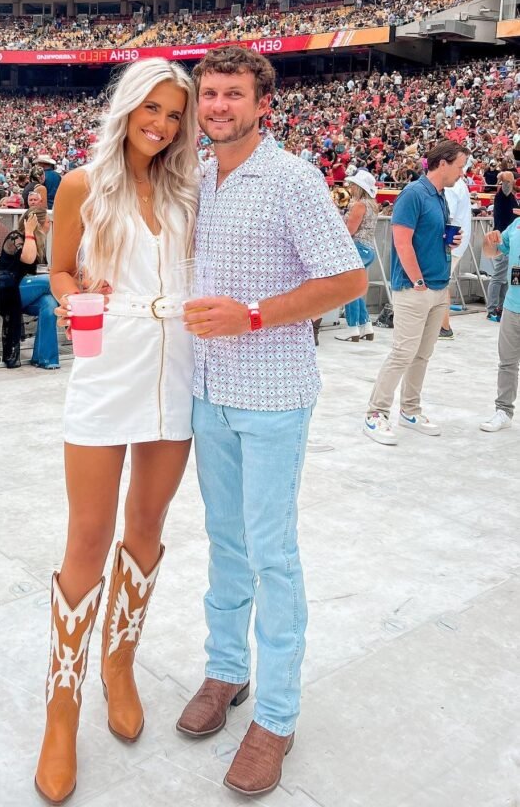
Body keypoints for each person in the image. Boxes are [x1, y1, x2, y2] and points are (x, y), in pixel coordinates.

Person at [175, 47, 365, 797]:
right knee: (223, 542)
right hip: (206, 387)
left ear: (262, 104)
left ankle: (277, 716)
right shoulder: (194, 177)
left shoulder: (292, 179)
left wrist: (251, 315)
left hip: (274, 390)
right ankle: (227, 670)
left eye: (232, 93)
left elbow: (348, 279)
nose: (217, 104)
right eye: (208, 93)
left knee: (269, 553)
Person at [34, 59, 199, 805]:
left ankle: (119, 663)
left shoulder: (190, 189)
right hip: (107, 369)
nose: (160, 125)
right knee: (87, 539)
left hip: (177, 374)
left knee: (146, 527)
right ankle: (61, 712)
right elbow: (60, 272)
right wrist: (74, 299)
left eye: (173, 115)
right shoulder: (78, 184)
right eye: (151, 109)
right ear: (128, 106)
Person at [363, 140, 467, 446]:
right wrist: (418, 281)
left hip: (438, 286)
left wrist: (448, 241)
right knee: (403, 352)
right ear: (444, 163)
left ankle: (410, 410)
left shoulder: (440, 197)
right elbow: (402, 241)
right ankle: (375, 413)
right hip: (415, 288)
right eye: (460, 166)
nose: (462, 173)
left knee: (422, 354)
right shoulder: (413, 194)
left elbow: (427, 238)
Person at [0, 209, 58, 369]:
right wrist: (29, 231)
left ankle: (44, 358)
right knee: (52, 281)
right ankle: (76, 303)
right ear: (39, 223)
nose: (50, 225)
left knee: (49, 304)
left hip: (26, 290)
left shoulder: (39, 242)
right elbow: (27, 258)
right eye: (47, 221)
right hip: (9, 290)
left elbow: (34, 269)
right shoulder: (16, 236)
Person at [479, 214, 520, 432]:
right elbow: (492, 252)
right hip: (513, 306)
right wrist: (489, 240)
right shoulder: (516, 224)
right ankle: (503, 411)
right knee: (507, 363)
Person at [335, 169, 379, 342]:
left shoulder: (359, 205)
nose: (350, 187)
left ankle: (353, 328)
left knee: (350, 290)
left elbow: (350, 231)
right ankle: (365, 326)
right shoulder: (372, 205)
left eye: (353, 185)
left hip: (357, 249)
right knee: (357, 290)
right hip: (367, 249)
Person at [439, 171, 472, 338]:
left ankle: (443, 326)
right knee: (442, 282)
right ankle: (442, 325)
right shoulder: (459, 184)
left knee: (441, 283)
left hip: (452, 241)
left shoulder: (452, 186)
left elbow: (446, 217)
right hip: (457, 241)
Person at [486, 172, 519, 322]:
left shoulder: (510, 197)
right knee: (498, 277)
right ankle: (492, 309)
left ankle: (501, 306)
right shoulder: (504, 195)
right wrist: (506, 174)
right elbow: (505, 178)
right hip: (503, 241)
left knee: (507, 278)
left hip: (510, 242)